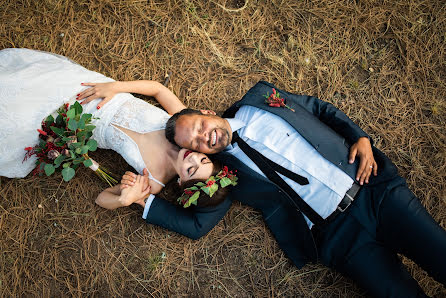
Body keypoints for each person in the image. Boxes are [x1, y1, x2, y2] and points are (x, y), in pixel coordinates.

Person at [157, 81, 446, 297]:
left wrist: (361, 137)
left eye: (199, 125)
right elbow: (199, 222)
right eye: (194, 142)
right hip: (338, 236)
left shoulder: (259, 100)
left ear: (207, 112)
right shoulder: (222, 172)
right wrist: (143, 200)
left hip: (372, 191)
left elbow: (319, 109)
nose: (204, 137)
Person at [0, 48, 234, 238]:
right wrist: (116, 86)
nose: (192, 157)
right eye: (203, 159)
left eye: (192, 169)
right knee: (32, 82)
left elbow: (101, 199)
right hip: (103, 93)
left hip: (79, 124)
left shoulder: (152, 182)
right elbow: (158, 89)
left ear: (182, 182)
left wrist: (125, 199)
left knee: (19, 120)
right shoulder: (186, 131)